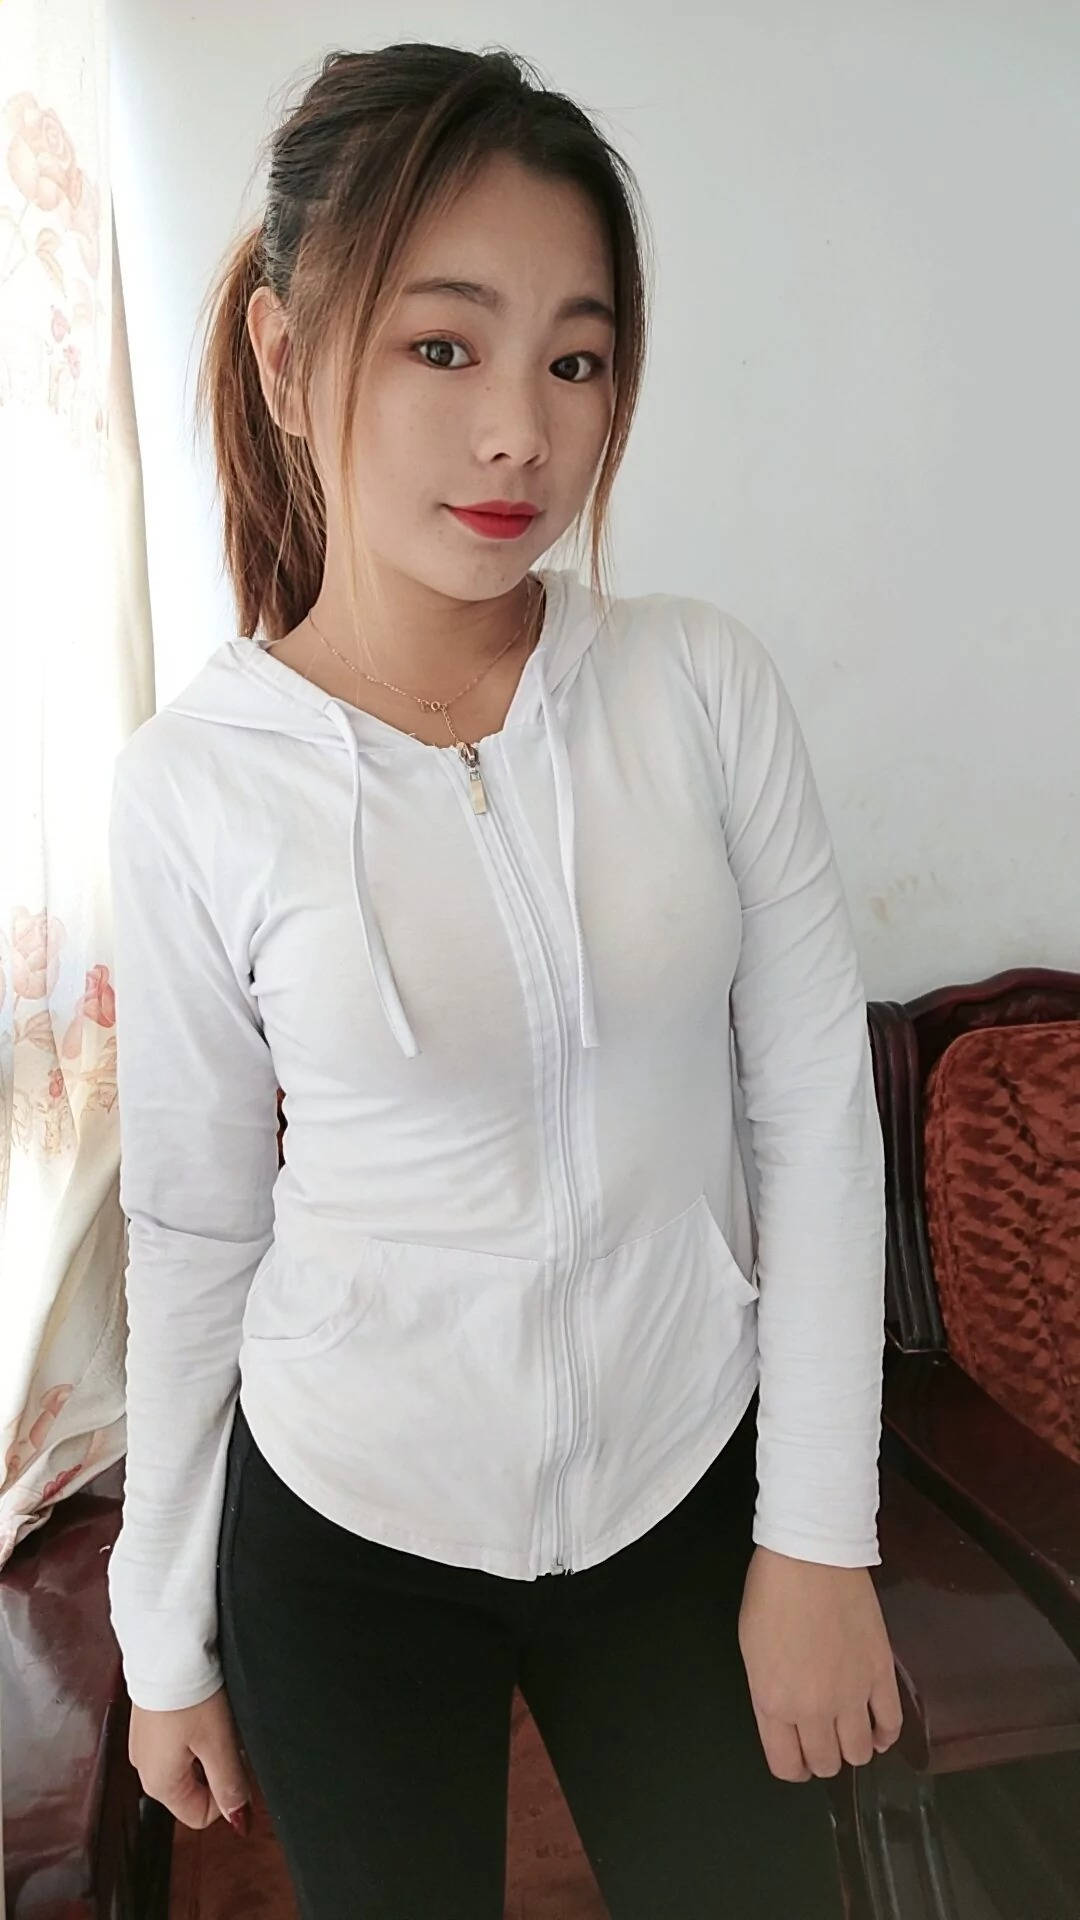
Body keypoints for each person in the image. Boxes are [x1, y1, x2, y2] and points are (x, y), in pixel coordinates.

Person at [106, 40, 902, 1920]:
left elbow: (812, 1115)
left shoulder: (699, 687)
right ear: (289, 357)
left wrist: (819, 1534)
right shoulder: (197, 784)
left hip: (681, 1484)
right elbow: (197, 1223)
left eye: (576, 359)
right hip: (349, 1526)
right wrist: (161, 1631)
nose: (520, 437)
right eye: (444, 346)